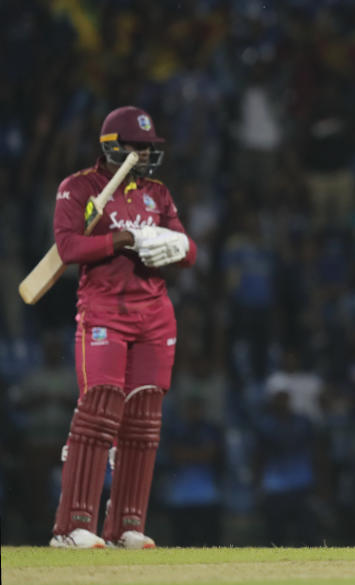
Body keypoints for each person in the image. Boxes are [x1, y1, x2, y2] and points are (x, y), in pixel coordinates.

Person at [49, 106, 196, 548]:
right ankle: (71, 526)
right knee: (99, 410)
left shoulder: (158, 194)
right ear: (112, 147)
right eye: (137, 146)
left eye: (150, 147)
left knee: (144, 418)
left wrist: (173, 246)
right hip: (104, 311)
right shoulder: (79, 187)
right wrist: (125, 239)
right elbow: (69, 246)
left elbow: (188, 253)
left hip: (154, 314)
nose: (146, 154)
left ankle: (125, 526)